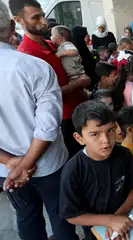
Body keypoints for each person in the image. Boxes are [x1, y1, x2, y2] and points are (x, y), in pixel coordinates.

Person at [0, 2, 78, 239]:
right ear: (14, 25)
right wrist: (25, 165)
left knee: (27, 217)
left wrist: (12, 163)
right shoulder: (35, 67)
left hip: (7, 171)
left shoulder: (39, 61)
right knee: (61, 216)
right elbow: (47, 128)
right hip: (48, 166)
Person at [13, 0, 88, 158]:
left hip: (77, 108)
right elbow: (43, 95)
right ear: (18, 20)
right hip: (62, 118)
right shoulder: (26, 54)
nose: (43, 22)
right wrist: (78, 84)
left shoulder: (52, 45)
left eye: (43, 16)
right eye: (35, 18)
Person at [59, 101, 133, 240]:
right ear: (79, 138)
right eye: (94, 134)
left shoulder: (124, 154)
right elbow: (72, 216)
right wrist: (109, 221)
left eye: (109, 130)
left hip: (127, 217)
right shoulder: (73, 171)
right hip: (97, 230)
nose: (105, 140)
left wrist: (118, 216)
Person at [72, 26, 100, 90]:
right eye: (86, 34)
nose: (89, 36)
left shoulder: (83, 49)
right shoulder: (77, 51)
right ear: (81, 36)